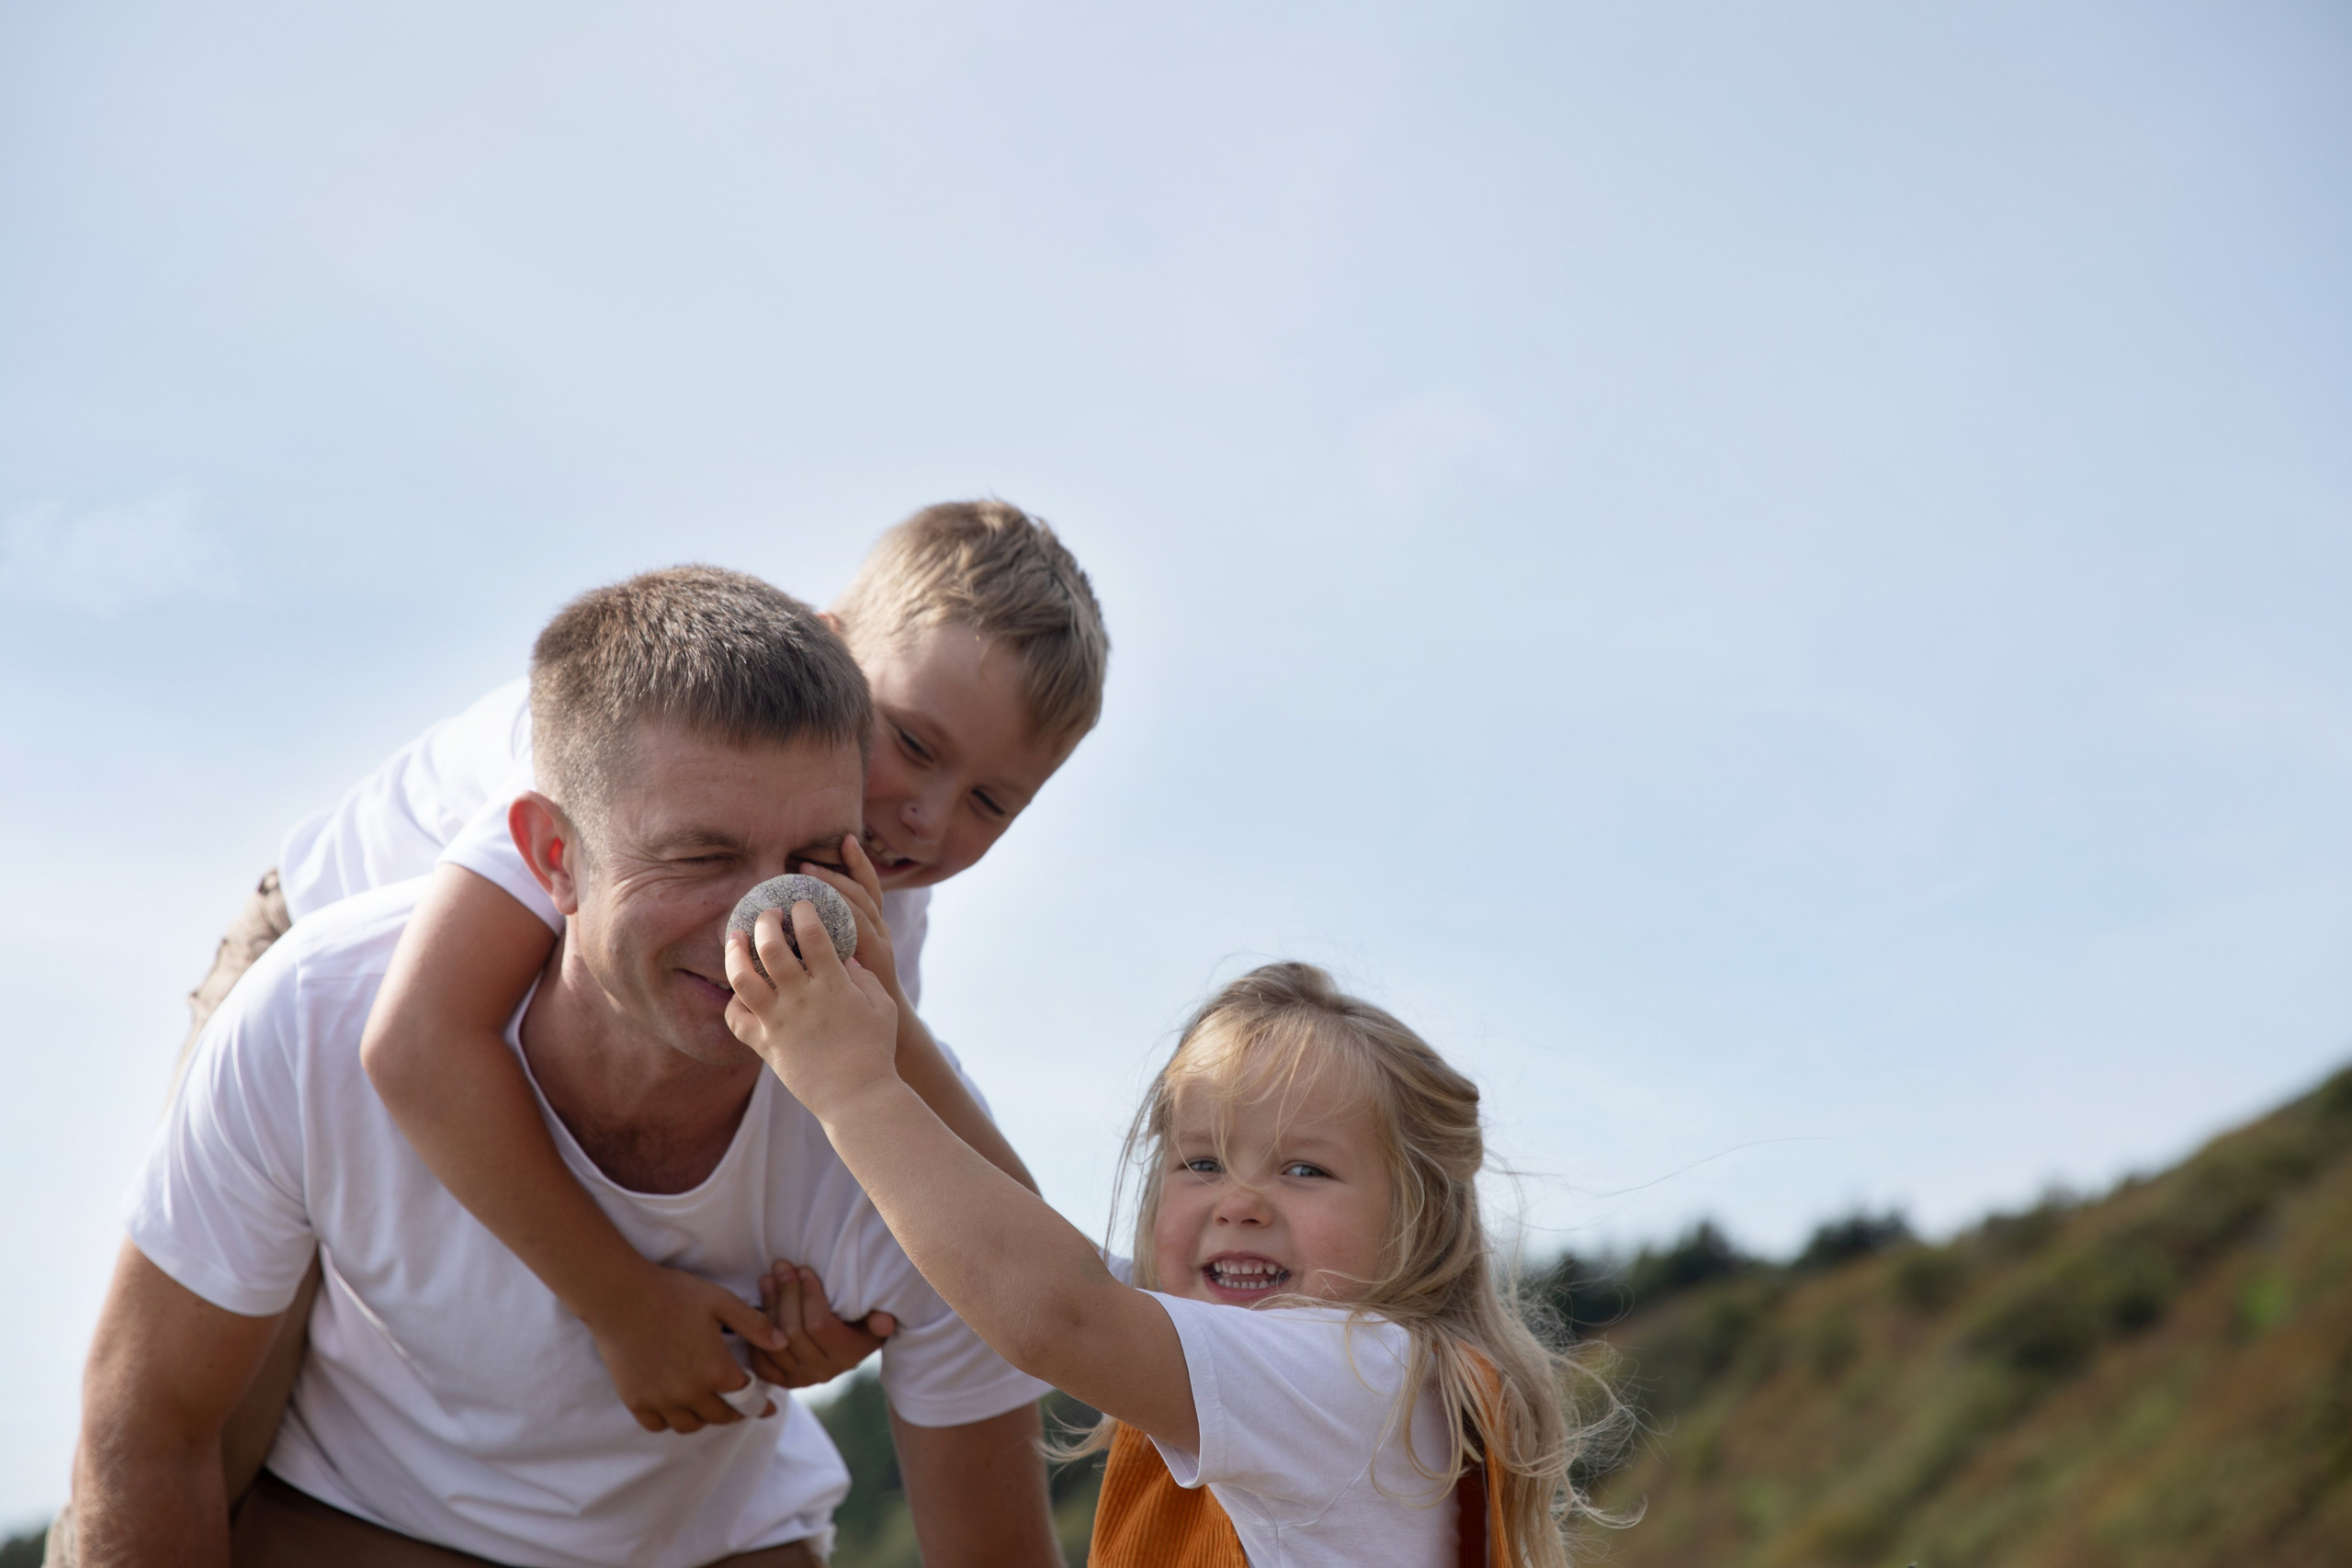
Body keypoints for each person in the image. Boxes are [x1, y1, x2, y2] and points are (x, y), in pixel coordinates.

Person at [72, 568, 1063, 1567]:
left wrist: (915, 1219)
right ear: (554, 858)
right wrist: (622, 1302)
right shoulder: (319, 1005)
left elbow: (1036, 1311)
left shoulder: (890, 1114)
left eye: (812, 859)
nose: (756, 928)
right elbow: (148, 1436)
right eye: (697, 857)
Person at [727, 926, 1627, 1566]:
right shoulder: (1352, 1374)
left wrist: (848, 1089)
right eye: (1199, 1163)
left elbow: (1054, 1308)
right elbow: (1031, 1240)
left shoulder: (1353, 1372)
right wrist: (897, 1033)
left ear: (1417, 1218)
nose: (1238, 1204)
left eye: (1304, 1171)